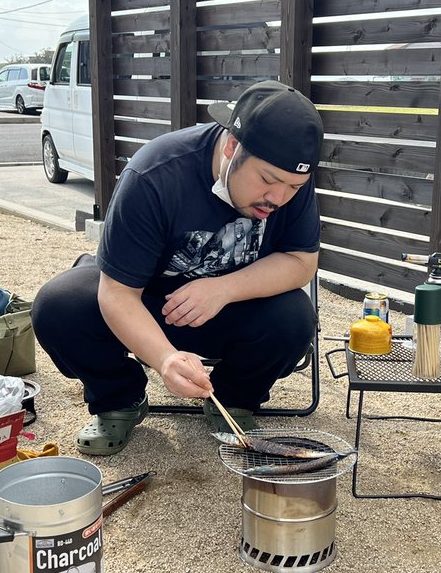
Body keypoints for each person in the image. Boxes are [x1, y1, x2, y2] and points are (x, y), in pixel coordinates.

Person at [32, 80, 323, 456]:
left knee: (295, 317)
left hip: (230, 309)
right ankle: (119, 400)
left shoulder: (288, 183)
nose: (278, 199)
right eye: (268, 180)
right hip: (150, 304)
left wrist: (224, 289)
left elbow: (302, 262)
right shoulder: (155, 174)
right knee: (59, 306)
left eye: (294, 187)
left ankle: (234, 400)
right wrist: (165, 358)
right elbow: (118, 293)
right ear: (233, 147)